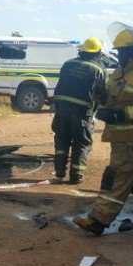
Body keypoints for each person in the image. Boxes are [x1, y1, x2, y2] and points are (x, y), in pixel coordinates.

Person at [73, 22, 133, 236]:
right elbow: (110, 100)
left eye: (121, 52)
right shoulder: (120, 73)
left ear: (131, 53)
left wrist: (119, 114)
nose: (118, 56)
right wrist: (100, 94)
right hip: (121, 136)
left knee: (116, 175)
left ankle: (98, 220)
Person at [52, 37, 106, 184]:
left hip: (62, 110)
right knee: (81, 143)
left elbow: (60, 87)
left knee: (62, 139)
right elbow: (100, 94)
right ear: (98, 52)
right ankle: (76, 176)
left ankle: (59, 171)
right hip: (83, 113)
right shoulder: (98, 69)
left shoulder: (68, 64)